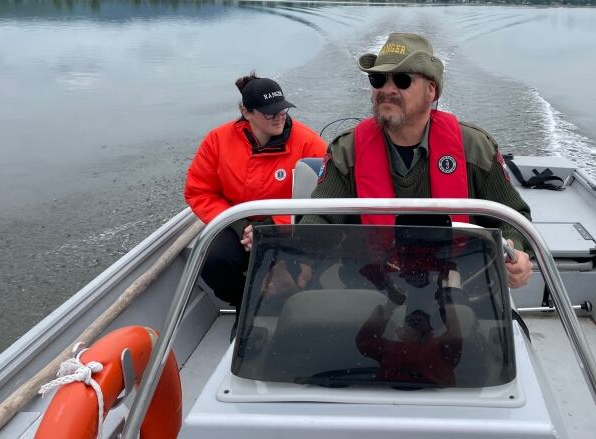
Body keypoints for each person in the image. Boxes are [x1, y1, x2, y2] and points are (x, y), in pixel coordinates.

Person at [293, 32, 533, 289]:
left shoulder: (474, 148)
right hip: (371, 287)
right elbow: (319, 220)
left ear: (431, 90)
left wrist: (515, 252)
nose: (387, 89)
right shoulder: (347, 151)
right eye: (378, 79)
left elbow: (513, 217)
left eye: (402, 80)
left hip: (458, 286)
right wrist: (298, 258)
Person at [184, 72, 327, 313]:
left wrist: (275, 226)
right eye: (270, 112)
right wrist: (240, 224)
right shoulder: (217, 141)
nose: (279, 117)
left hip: (291, 227)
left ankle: (298, 305)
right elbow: (199, 191)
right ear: (247, 112)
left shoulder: (308, 144)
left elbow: (325, 196)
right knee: (213, 260)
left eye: (283, 110)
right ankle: (247, 304)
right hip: (238, 226)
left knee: (308, 267)